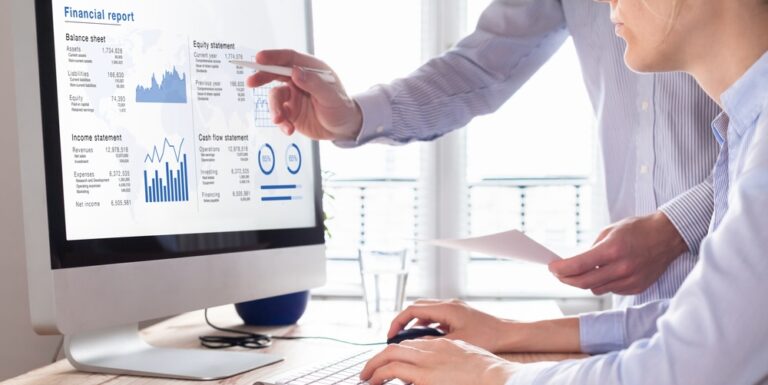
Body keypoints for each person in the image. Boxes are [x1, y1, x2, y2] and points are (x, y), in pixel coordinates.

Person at [248, 0, 718, 356]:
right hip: (636, 323)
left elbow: (757, 134)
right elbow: (482, 67)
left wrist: (680, 224)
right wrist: (352, 115)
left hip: (738, 288)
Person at [357, 0, 768, 383]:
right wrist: (508, 334)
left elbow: (684, 367)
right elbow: (706, 325)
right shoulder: (745, 132)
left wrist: (494, 375)